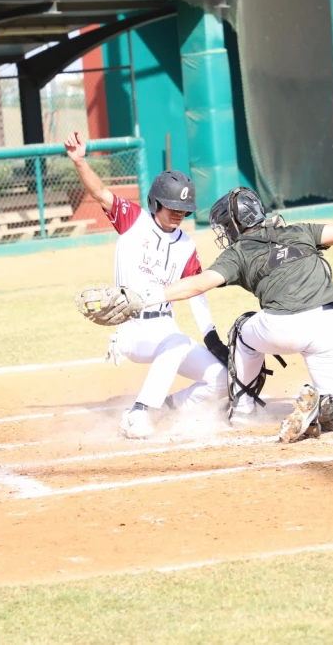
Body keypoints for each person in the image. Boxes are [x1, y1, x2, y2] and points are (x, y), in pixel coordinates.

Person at [126, 186, 333, 443]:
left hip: (281, 326)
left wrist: (144, 298)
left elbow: (198, 284)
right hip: (328, 321)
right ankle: (328, 407)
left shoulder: (238, 252)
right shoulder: (300, 230)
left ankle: (243, 409)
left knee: (243, 328)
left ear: (236, 224)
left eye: (225, 225)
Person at [63, 131, 232, 439]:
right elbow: (100, 192)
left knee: (221, 378)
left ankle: (166, 408)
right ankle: (138, 414)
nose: (179, 213)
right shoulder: (133, 220)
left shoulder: (186, 244)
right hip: (132, 328)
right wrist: (80, 162)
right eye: (172, 207)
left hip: (165, 327)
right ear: (156, 203)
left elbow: (196, 292)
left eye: (183, 209)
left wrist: (211, 338)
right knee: (176, 343)